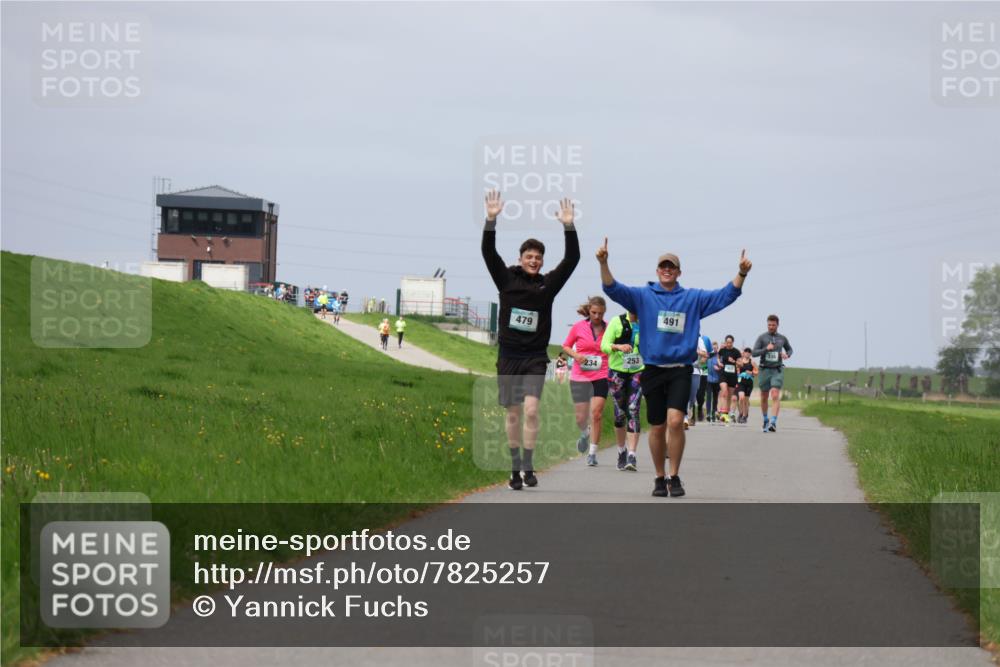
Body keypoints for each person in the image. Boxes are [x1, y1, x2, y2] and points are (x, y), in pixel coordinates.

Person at [598, 239, 751, 497]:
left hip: (681, 368)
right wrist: (603, 263)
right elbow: (612, 289)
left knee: (676, 421)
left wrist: (742, 273)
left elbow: (725, 295)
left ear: (679, 272)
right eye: (663, 266)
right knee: (657, 427)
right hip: (652, 369)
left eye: (672, 267)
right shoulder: (643, 296)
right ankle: (659, 477)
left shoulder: (692, 298)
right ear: (657, 271)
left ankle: (674, 475)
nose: (667, 270)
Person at [482, 190, 580, 490]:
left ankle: (528, 462)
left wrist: (569, 226)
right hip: (509, 357)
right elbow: (488, 252)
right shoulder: (506, 280)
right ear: (520, 259)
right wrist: (491, 220)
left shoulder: (548, 285)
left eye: (538, 258)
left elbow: (572, 259)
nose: (534, 261)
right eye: (529, 257)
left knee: (532, 410)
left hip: (535, 357)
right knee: (513, 414)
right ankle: (514, 467)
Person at [563, 296, 610, 467]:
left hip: (601, 374)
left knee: (596, 414)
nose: (597, 316)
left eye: (600, 313)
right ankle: (584, 433)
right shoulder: (578, 327)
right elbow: (566, 346)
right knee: (580, 417)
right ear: (589, 311)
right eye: (594, 312)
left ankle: (592, 453)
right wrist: (576, 356)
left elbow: (615, 345)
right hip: (580, 376)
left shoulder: (609, 328)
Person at [601, 311, 643, 471]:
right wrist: (618, 346)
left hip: (638, 371)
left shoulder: (646, 321)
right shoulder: (616, 321)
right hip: (617, 372)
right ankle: (621, 451)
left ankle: (632, 455)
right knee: (620, 415)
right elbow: (604, 345)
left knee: (633, 409)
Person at [752, 314, 794, 432]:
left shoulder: (782, 338)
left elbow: (790, 349)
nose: (771, 327)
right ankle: (766, 419)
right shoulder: (762, 338)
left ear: (777, 325)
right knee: (764, 396)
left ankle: (773, 422)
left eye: (773, 325)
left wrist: (787, 354)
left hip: (777, 370)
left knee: (775, 394)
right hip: (764, 370)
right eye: (769, 325)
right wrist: (766, 349)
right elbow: (754, 353)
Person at [685, 333, 710, 429]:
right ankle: (685, 418)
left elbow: (705, 354)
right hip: (683, 369)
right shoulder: (682, 335)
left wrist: (699, 354)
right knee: (684, 394)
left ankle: (689, 411)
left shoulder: (699, 339)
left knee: (692, 397)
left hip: (695, 370)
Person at [716, 335, 740, 424]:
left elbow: (740, 363)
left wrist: (734, 361)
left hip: (732, 376)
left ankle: (726, 414)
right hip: (723, 374)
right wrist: (719, 363)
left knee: (729, 396)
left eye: (730, 342)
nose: (728, 344)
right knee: (724, 392)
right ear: (725, 342)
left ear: (733, 342)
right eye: (727, 342)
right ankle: (723, 413)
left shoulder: (736, 352)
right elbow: (718, 357)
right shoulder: (722, 350)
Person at [736, 348, 756, 424]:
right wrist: (738, 368)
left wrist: (751, 373)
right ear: (743, 353)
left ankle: (744, 416)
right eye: (746, 352)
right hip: (741, 382)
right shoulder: (740, 361)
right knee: (741, 398)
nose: (747, 353)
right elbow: (736, 369)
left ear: (750, 354)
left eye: (749, 352)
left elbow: (757, 372)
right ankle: (741, 413)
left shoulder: (752, 362)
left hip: (749, 383)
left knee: (746, 400)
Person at [705, 340, 721, 422]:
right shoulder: (708, 356)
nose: (714, 349)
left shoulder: (719, 357)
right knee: (708, 397)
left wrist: (719, 368)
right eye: (713, 348)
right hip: (708, 380)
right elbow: (703, 365)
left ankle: (713, 413)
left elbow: (722, 366)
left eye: (715, 348)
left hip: (717, 380)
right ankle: (708, 414)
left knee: (715, 398)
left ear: (717, 348)